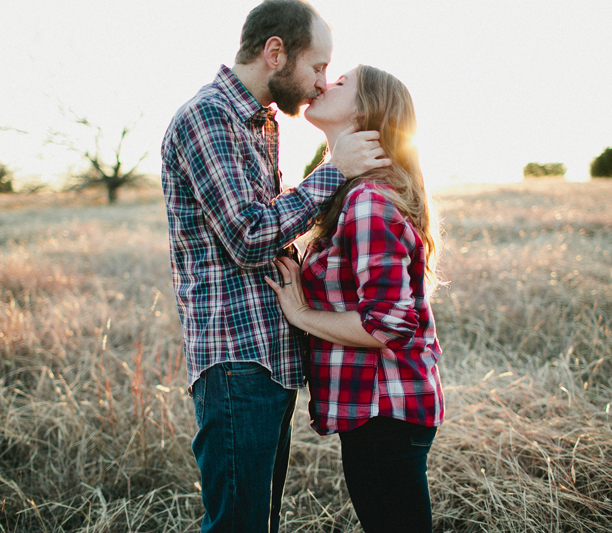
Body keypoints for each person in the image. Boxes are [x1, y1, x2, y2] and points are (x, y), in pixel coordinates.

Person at [160, 1, 390, 531]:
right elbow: (247, 236)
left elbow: (272, 220)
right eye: (318, 67)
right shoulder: (209, 117)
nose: (321, 82)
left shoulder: (258, 122)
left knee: (257, 521)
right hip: (237, 358)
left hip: (267, 356)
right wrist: (333, 173)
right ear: (275, 52)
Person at [265, 65, 445, 533]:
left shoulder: (368, 201)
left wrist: (301, 313)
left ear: (366, 111)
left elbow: (387, 324)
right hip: (373, 411)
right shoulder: (350, 194)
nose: (323, 84)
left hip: (385, 409)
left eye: (340, 83)